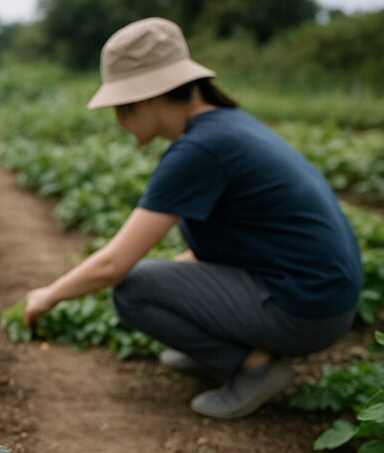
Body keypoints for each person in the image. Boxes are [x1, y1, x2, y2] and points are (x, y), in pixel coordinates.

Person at [23, 17, 362, 419]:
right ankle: (229, 352)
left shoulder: (200, 150)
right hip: (325, 297)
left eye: (120, 106)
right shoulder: (227, 125)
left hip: (306, 310)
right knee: (158, 278)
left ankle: (255, 366)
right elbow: (238, 239)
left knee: (134, 289)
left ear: (147, 97)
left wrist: (48, 296)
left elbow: (114, 264)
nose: (118, 119)